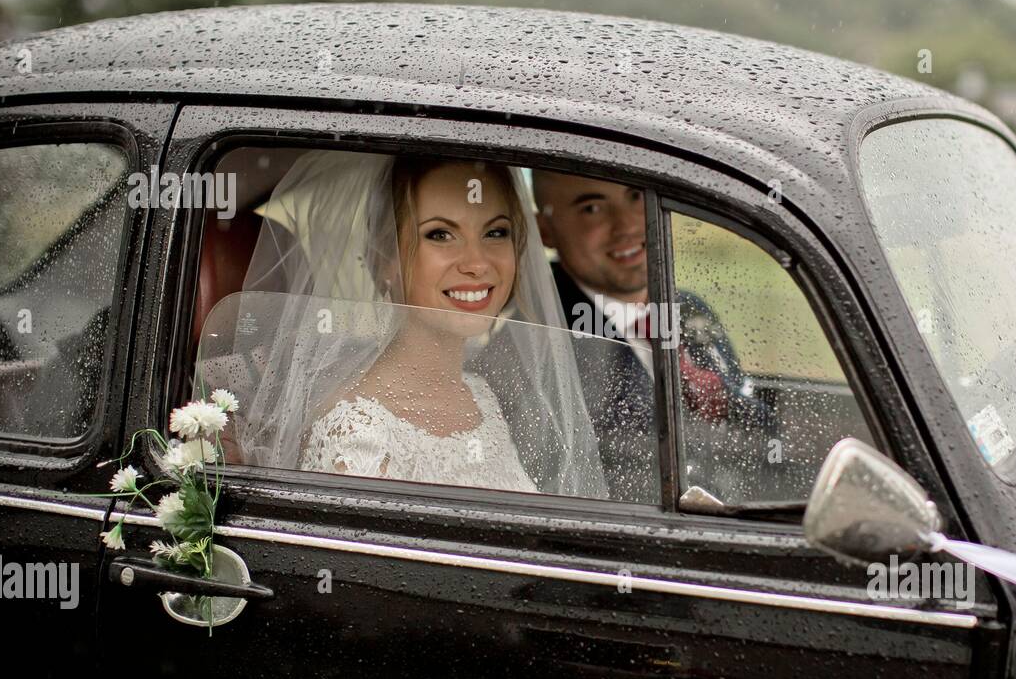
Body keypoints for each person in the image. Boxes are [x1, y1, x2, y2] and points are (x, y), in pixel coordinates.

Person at [196, 150, 608, 499]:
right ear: (385, 260)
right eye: (440, 235)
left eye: (495, 232)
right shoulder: (358, 432)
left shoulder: (481, 396)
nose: (477, 263)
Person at [532, 169, 771, 502]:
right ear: (545, 231)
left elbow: (753, 431)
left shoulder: (688, 307)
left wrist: (723, 400)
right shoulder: (540, 337)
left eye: (634, 196)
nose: (628, 225)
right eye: (592, 208)